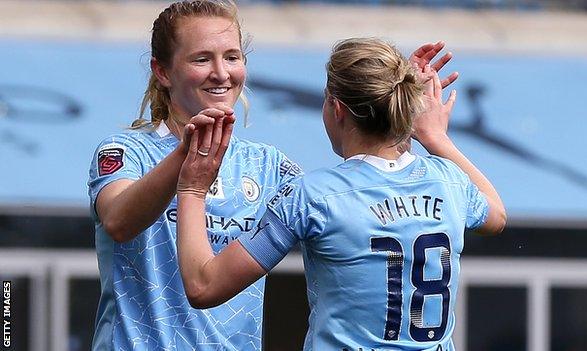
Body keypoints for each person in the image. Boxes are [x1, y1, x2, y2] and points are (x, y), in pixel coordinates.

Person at [86, 0, 458, 349]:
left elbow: (356, 202)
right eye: (202, 59)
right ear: (162, 71)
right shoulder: (125, 152)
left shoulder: (268, 165)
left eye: (231, 57)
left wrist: (389, 101)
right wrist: (186, 157)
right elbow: (119, 221)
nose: (221, 73)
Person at [175, 37, 506, 351]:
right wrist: (435, 137)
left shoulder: (313, 197)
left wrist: (191, 189)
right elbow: (495, 216)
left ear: (337, 108)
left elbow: (205, 287)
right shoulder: (448, 180)